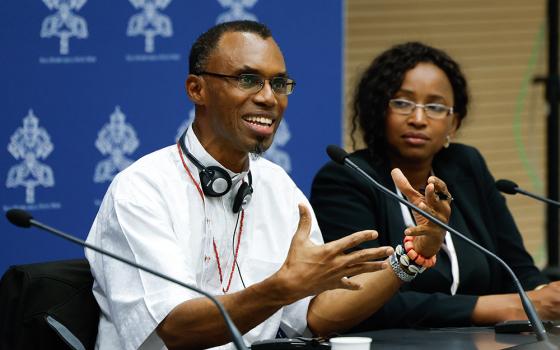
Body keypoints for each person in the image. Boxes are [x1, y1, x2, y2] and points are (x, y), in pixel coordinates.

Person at [86, 23, 447, 350]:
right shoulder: (142, 189)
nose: (269, 98)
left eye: (278, 83)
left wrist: (413, 255)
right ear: (197, 89)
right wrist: (282, 288)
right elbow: (178, 330)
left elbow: (316, 315)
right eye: (247, 79)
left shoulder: (277, 186)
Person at [310, 42, 560, 331]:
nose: (418, 119)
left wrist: (544, 298)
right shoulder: (346, 179)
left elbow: (517, 267)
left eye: (435, 107)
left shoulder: (466, 166)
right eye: (402, 103)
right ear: (378, 111)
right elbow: (356, 299)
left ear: (453, 124)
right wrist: (504, 307)